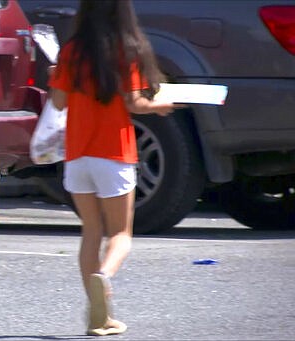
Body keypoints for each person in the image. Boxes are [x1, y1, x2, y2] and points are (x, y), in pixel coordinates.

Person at [48, 0, 184, 336]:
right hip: (114, 153)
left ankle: (100, 318)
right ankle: (104, 278)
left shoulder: (73, 50)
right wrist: (163, 104)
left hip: (78, 154)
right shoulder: (127, 49)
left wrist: (56, 77)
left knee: (91, 232)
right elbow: (134, 102)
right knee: (121, 235)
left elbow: (58, 102)